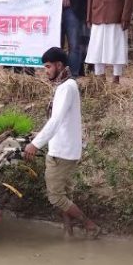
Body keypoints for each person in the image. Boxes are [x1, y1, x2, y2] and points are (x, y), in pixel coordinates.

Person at [23, 47, 100, 238]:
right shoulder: (65, 85)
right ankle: (68, 232)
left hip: (62, 152)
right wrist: (39, 136)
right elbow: (60, 120)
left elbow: (56, 120)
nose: (46, 71)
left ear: (59, 65)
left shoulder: (66, 87)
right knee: (64, 195)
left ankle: (90, 225)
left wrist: (35, 144)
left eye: (48, 67)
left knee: (56, 197)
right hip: (63, 147)